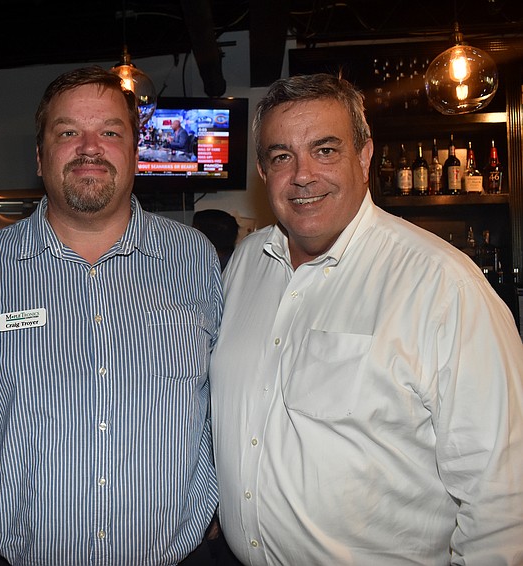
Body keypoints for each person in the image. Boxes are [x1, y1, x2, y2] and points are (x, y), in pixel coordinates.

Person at [210, 73, 523, 565]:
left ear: (364, 156)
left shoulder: (443, 286)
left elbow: (505, 494)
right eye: (281, 156)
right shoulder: (246, 264)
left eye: (326, 150)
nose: (303, 175)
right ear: (262, 170)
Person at [0, 66, 222, 565]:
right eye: (68, 132)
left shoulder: (196, 259)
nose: (90, 147)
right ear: (39, 157)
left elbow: (231, 398)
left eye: (110, 132)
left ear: (136, 155)